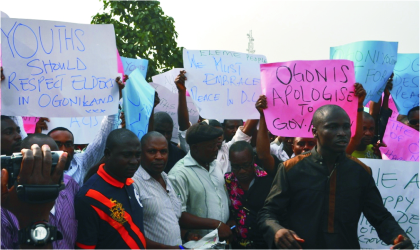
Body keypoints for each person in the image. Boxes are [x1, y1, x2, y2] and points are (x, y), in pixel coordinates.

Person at [257, 104, 413, 249]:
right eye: (332, 127)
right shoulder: (291, 168)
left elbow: (380, 216)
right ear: (314, 131)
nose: (341, 133)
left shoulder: (360, 171)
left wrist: (398, 237)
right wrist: (276, 230)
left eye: (346, 127)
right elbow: (268, 213)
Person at [2, 134, 79, 249]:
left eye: (51, 159)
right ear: (21, 159)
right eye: (37, 160)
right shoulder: (6, 198)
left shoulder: (70, 184)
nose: (45, 166)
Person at [175, 70, 258, 174]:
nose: (217, 138)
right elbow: (184, 127)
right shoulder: (193, 151)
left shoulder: (227, 149)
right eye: (212, 135)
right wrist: (181, 92)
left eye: (219, 134)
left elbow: (246, 131)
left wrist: (259, 101)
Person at [74, 129, 146, 249]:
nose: (134, 161)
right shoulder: (89, 197)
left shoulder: (128, 181)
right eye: (127, 155)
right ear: (108, 154)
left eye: (138, 155)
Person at [132, 132, 199, 248]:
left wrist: (186, 235)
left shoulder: (165, 177)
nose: (159, 156)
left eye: (163, 151)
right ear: (140, 154)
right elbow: (132, 234)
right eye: (152, 151)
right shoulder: (133, 183)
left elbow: (167, 219)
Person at [168, 123, 232, 240]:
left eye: (216, 145)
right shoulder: (179, 174)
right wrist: (216, 224)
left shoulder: (216, 164)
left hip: (222, 241)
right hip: (199, 242)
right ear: (195, 148)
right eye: (211, 146)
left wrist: (229, 220)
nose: (215, 150)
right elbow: (178, 214)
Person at [224, 141, 273, 249]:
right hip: (238, 244)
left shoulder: (267, 181)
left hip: (263, 244)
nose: (241, 171)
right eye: (236, 167)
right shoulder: (227, 182)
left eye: (246, 165)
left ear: (253, 160)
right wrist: (230, 219)